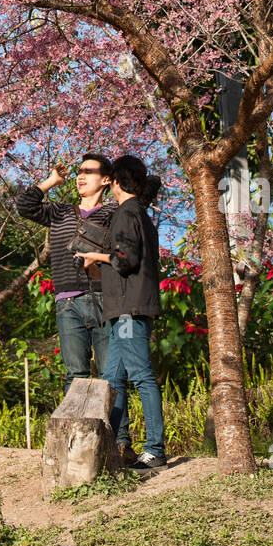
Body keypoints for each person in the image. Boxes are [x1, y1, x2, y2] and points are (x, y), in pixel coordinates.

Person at [16, 154, 128, 418]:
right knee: (74, 374)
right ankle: (73, 438)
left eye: (89, 171)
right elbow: (25, 207)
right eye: (79, 171)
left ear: (105, 179)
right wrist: (52, 181)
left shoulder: (114, 212)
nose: (81, 176)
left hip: (104, 300)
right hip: (67, 302)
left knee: (111, 375)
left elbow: (124, 252)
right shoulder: (61, 211)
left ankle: (119, 441)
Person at [80, 154, 166, 473]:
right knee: (112, 380)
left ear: (115, 181)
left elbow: (125, 258)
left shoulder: (127, 213)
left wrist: (95, 256)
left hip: (129, 310)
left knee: (141, 376)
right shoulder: (136, 212)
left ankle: (155, 450)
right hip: (121, 312)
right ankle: (114, 444)